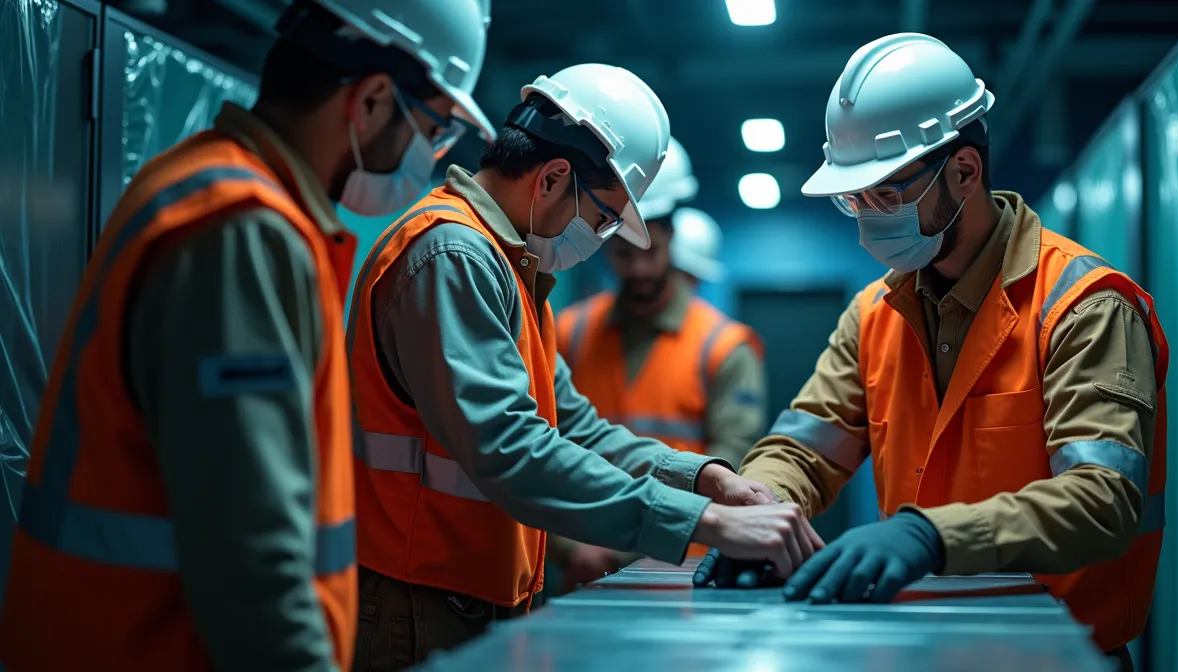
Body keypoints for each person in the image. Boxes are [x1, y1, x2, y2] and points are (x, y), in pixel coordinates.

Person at [0, 1, 496, 669]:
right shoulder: (244, 231)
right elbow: (254, 561)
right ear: (373, 100)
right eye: (433, 129)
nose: (430, 156)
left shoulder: (217, 190)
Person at [693, 33, 1168, 671]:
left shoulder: (1084, 306)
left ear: (965, 172)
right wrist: (760, 514)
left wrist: (930, 535)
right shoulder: (873, 315)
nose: (866, 217)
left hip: (1058, 654)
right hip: (919, 647)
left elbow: (1101, 500)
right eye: (852, 199)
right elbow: (802, 450)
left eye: (885, 193)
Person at [347, 64, 820, 667]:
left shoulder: (513, 269)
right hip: (414, 601)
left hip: (464, 593)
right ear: (552, 178)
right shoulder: (453, 257)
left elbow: (578, 429)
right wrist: (704, 522)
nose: (602, 237)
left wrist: (706, 479)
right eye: (604, 218)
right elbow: (511, 449)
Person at [550, 142, 767, 585]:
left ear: (672, 239)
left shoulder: (724, 346)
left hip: (682, 564)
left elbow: (731, 463)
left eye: (650, 252)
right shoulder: (569, 331)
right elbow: (539, 447)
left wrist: (641, 535)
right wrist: (566, 547)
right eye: (624, 255)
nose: (639, 269)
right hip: (580, 563)